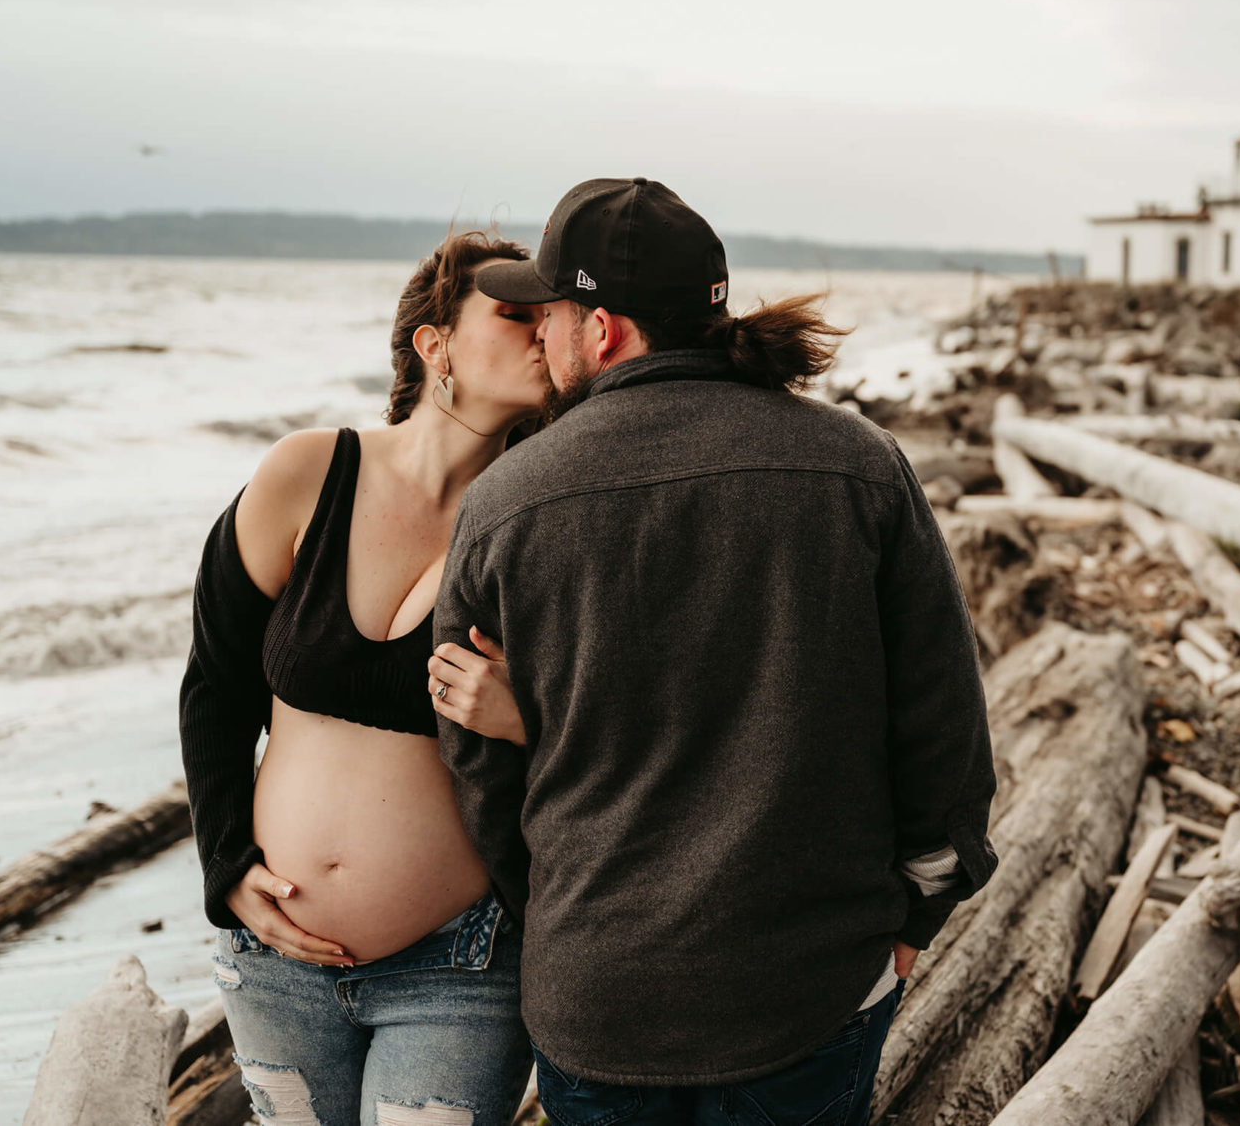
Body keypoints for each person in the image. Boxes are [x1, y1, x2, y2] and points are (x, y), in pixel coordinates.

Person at [427, 177, 998, 1126]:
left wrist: (562, 922)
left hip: (601, 994)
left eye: (553, 312)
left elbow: (479, 767)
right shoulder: (861, 464)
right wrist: (916, 916)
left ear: (603, 332)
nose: (543, 334)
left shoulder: (507, 501)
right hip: (811, 983)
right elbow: (941, 724)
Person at [178, 230, 549, 1126]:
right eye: (514, 315)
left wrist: (526, 719)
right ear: (436, 344)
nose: (544, 333)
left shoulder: (543, 519)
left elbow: (627, 717)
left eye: (553, 317)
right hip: (275, 962)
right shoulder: (308, 473)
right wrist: (226, 864)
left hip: (459, 965)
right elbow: (214, 685)